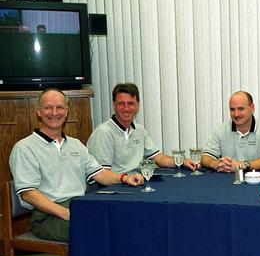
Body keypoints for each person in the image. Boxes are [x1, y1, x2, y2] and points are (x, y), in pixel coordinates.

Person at [9, 88, 144, 242]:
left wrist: (124, 178)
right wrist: (67, 213)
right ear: (38, 112)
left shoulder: (76, 145)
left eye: (60, 107)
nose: (54, 112)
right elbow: (28, 193)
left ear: (66, 112)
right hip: (48, 216)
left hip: (80, 206)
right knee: (100, 231)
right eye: (48, 107)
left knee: (125, 219)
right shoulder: (25, 148)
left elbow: (100, 173)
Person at [87, 83, 196, 175]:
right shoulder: (103, 133)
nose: (126, 108)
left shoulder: (139, 130)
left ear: (137, 105)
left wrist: (182, 161)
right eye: (121, 104)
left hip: (137, 182)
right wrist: (125, 179)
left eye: (130, 103)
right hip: (115, 188)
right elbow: (102, 174)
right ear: (114, 105)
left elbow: (159, 158)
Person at [201, 91, 260, 172]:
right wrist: (214, 164)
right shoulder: (220, 130)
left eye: (241, 109)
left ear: (252, 108)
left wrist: (242, 165)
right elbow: (205, 157)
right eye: (232, 109)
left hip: (255, 181)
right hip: (226, 180)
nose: (236, 114)